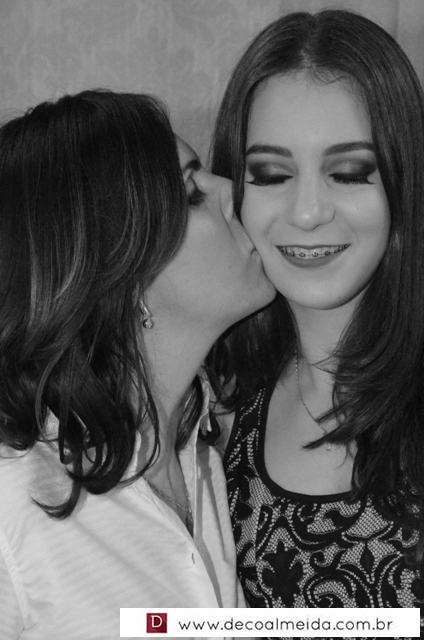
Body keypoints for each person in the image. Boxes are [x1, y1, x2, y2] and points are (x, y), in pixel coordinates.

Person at [0, 89, 275, 639]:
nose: (230, 190)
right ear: (121, 270)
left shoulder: (208, 456)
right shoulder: (13, 503)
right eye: (192, 193)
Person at [208, 8, 424, 622]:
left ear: (404, 183)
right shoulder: (215, 416)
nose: (307, 213)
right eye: (271, 174)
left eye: (348, 173)